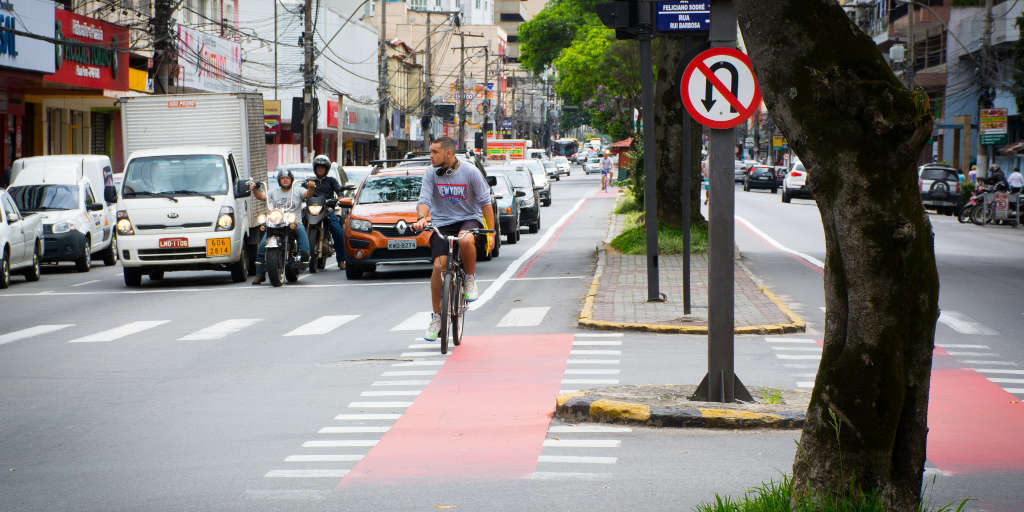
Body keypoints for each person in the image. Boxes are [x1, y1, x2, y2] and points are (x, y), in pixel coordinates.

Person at [411, 137, 495, 342]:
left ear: (448, 153)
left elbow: (485, 204)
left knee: (466, 240)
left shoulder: (470, 172)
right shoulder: (431, 173)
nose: (430, 156)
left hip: (468, 219)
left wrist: (491, 233)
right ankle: (437, 317)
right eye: (430, 151)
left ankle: (469, 278)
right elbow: (424, 201)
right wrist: (422, 218)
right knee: (438, 268)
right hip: (442, 223)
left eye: (434, 152)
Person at [250, 168, 312, 285]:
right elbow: (262, 197)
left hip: (294, 222)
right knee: (263, 245)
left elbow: (308, 194)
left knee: (301, 232)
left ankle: (304, 258)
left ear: (291, 180)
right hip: (275, 223)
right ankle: (259, 274)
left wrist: (311, 187)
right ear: (279, 180)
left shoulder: (297, 190)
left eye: (287, 178)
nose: (285, 180)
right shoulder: (273, 192)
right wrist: (255, 189)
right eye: (282, 178)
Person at [304, 154, 347, 270]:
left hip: (327, 209)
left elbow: (339, 191)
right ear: (315, 169)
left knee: (338, 231)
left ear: (326, 169)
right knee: (297, 225)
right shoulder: (310, 181)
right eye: (318, 168)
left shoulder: (331, 181)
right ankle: (298, 256)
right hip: (312, 209)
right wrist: (307, 186)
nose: (320, 170)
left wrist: (340, 197)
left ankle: (341, 260)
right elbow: (302, 191)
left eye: (323, 168)